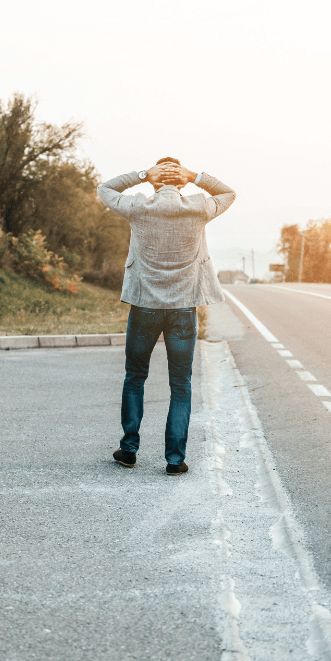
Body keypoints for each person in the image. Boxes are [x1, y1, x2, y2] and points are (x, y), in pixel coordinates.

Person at [98, 158, 235, 475]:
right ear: (182, 183)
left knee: (135, 378)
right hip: (182, 310)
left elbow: (105, 188)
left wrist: (142, 175)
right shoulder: (199, 207)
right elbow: (228, 193)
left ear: (154, 182)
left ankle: (129, 450)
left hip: (144, 307)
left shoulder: (137, 207)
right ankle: (175, 460)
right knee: (181, 386)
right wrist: (195, 176)